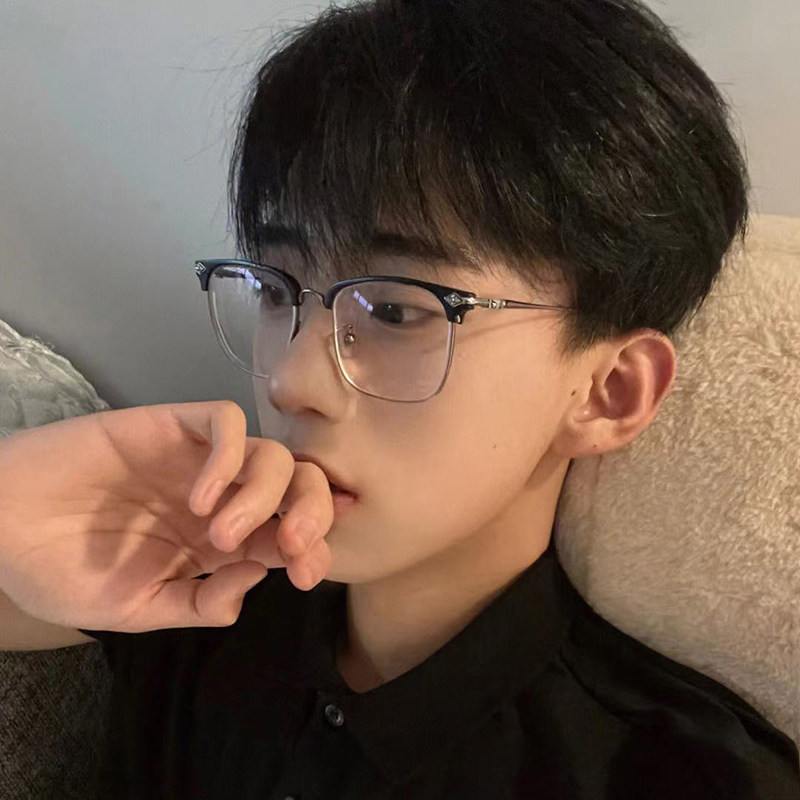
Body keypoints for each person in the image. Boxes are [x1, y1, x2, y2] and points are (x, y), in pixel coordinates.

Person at [0, 0, 797, 797]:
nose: (290, 381)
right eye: (276, 291)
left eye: (392, 310)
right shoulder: (197, 586)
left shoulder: (682, 777)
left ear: (608, 392)